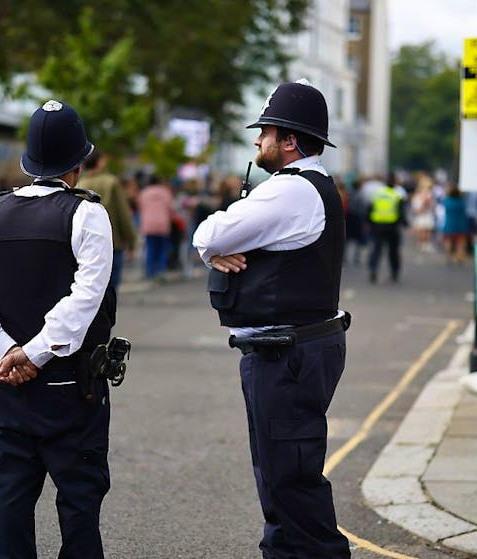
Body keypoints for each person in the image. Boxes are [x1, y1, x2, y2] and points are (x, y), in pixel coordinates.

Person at [192, 80, 351, 558]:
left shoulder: (290, 191)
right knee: (279, 487)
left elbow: (211, 231)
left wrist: (214, 249)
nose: (257, 140)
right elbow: (216, 242)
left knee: (292, 486)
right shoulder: (309, 189)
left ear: (289, 141)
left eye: (265, 131)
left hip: (288, 354)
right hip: (290, 349)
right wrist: (216, 250)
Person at [0, 99, 116, 559]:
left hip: (7, 386)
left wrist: (8, 354)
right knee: (79, 501)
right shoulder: (87, 215)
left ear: (28, 161)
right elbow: (86, 298)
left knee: (11, 495)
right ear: (78, 164)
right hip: (72, 387)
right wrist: (36, 352)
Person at [79, 148, 136, 291]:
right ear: (99, 163)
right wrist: (131, 241)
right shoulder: (111, 182)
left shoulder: (80, 185)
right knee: (111, 288)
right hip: (112, 242)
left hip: (86, 245)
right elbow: (123, 214)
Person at [367, 178, 405, 283]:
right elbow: (401, 213)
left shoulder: (377, 194)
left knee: (376, 250)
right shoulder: (396, 196)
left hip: (378, 226)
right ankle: (394, 272)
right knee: (393, 251)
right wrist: (404, 224)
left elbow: (370, 209)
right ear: (394, 184)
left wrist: (369, 223)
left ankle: (373, 270)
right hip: (392, 227)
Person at [136, 175, 174, 280]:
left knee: (150, 249)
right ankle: (161, 272)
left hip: (148, 224)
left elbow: (140, 207)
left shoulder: (144, 193)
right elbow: (171, 208)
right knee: (162, 249)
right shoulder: (165, 192)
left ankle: (150, 272)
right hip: (163, 224)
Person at [440, 186, 470, 264]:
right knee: (460, 242)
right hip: (460, 225)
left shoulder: (447, 201)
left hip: (449, 225)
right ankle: (459, 257)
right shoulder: (461, 202)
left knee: (448, 241)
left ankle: (448, 257)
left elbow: (441, 201)